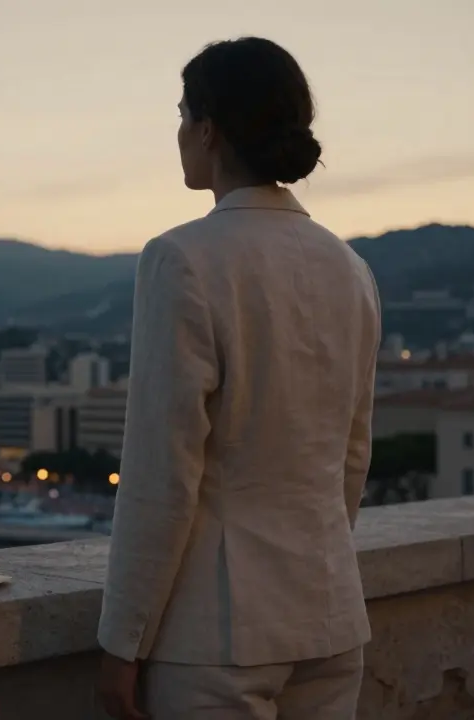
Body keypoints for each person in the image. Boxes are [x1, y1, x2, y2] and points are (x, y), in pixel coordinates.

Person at [96, 37, 380, 720]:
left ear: (208, 130)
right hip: (330, 615)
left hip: (216, 632)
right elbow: (353, 454)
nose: (179, 133)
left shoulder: (183, 260)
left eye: (182, 113)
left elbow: (163, 473)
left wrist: (121, 640)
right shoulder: (350, 268)